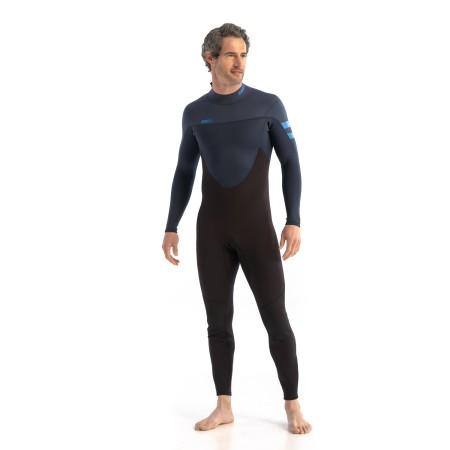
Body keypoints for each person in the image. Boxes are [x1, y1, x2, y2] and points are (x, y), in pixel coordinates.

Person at [162, 23, 312, 435]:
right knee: (217, 321)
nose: (239, 62)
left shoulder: (268, 106)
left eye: (243, 54)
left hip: (257, 231)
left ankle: (293, 405)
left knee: (276, 318)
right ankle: (223, 405)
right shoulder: (195, 112)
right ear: (210, 58)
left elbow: (291, 163)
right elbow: (184, 170)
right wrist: (171, 225)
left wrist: (293, 219)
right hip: (211, 232)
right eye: (231, 54)